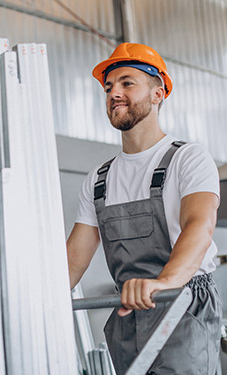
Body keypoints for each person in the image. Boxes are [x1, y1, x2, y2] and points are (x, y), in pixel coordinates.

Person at [66, 42, 222, 374]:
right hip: (128, 312)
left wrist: (163, 283)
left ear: (158, 93)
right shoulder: (98, 180)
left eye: (126, 83)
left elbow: (199, 225)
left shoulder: (188, 158)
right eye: (108, 87)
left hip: (182, 304)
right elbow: (72, 261)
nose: (113, 93)